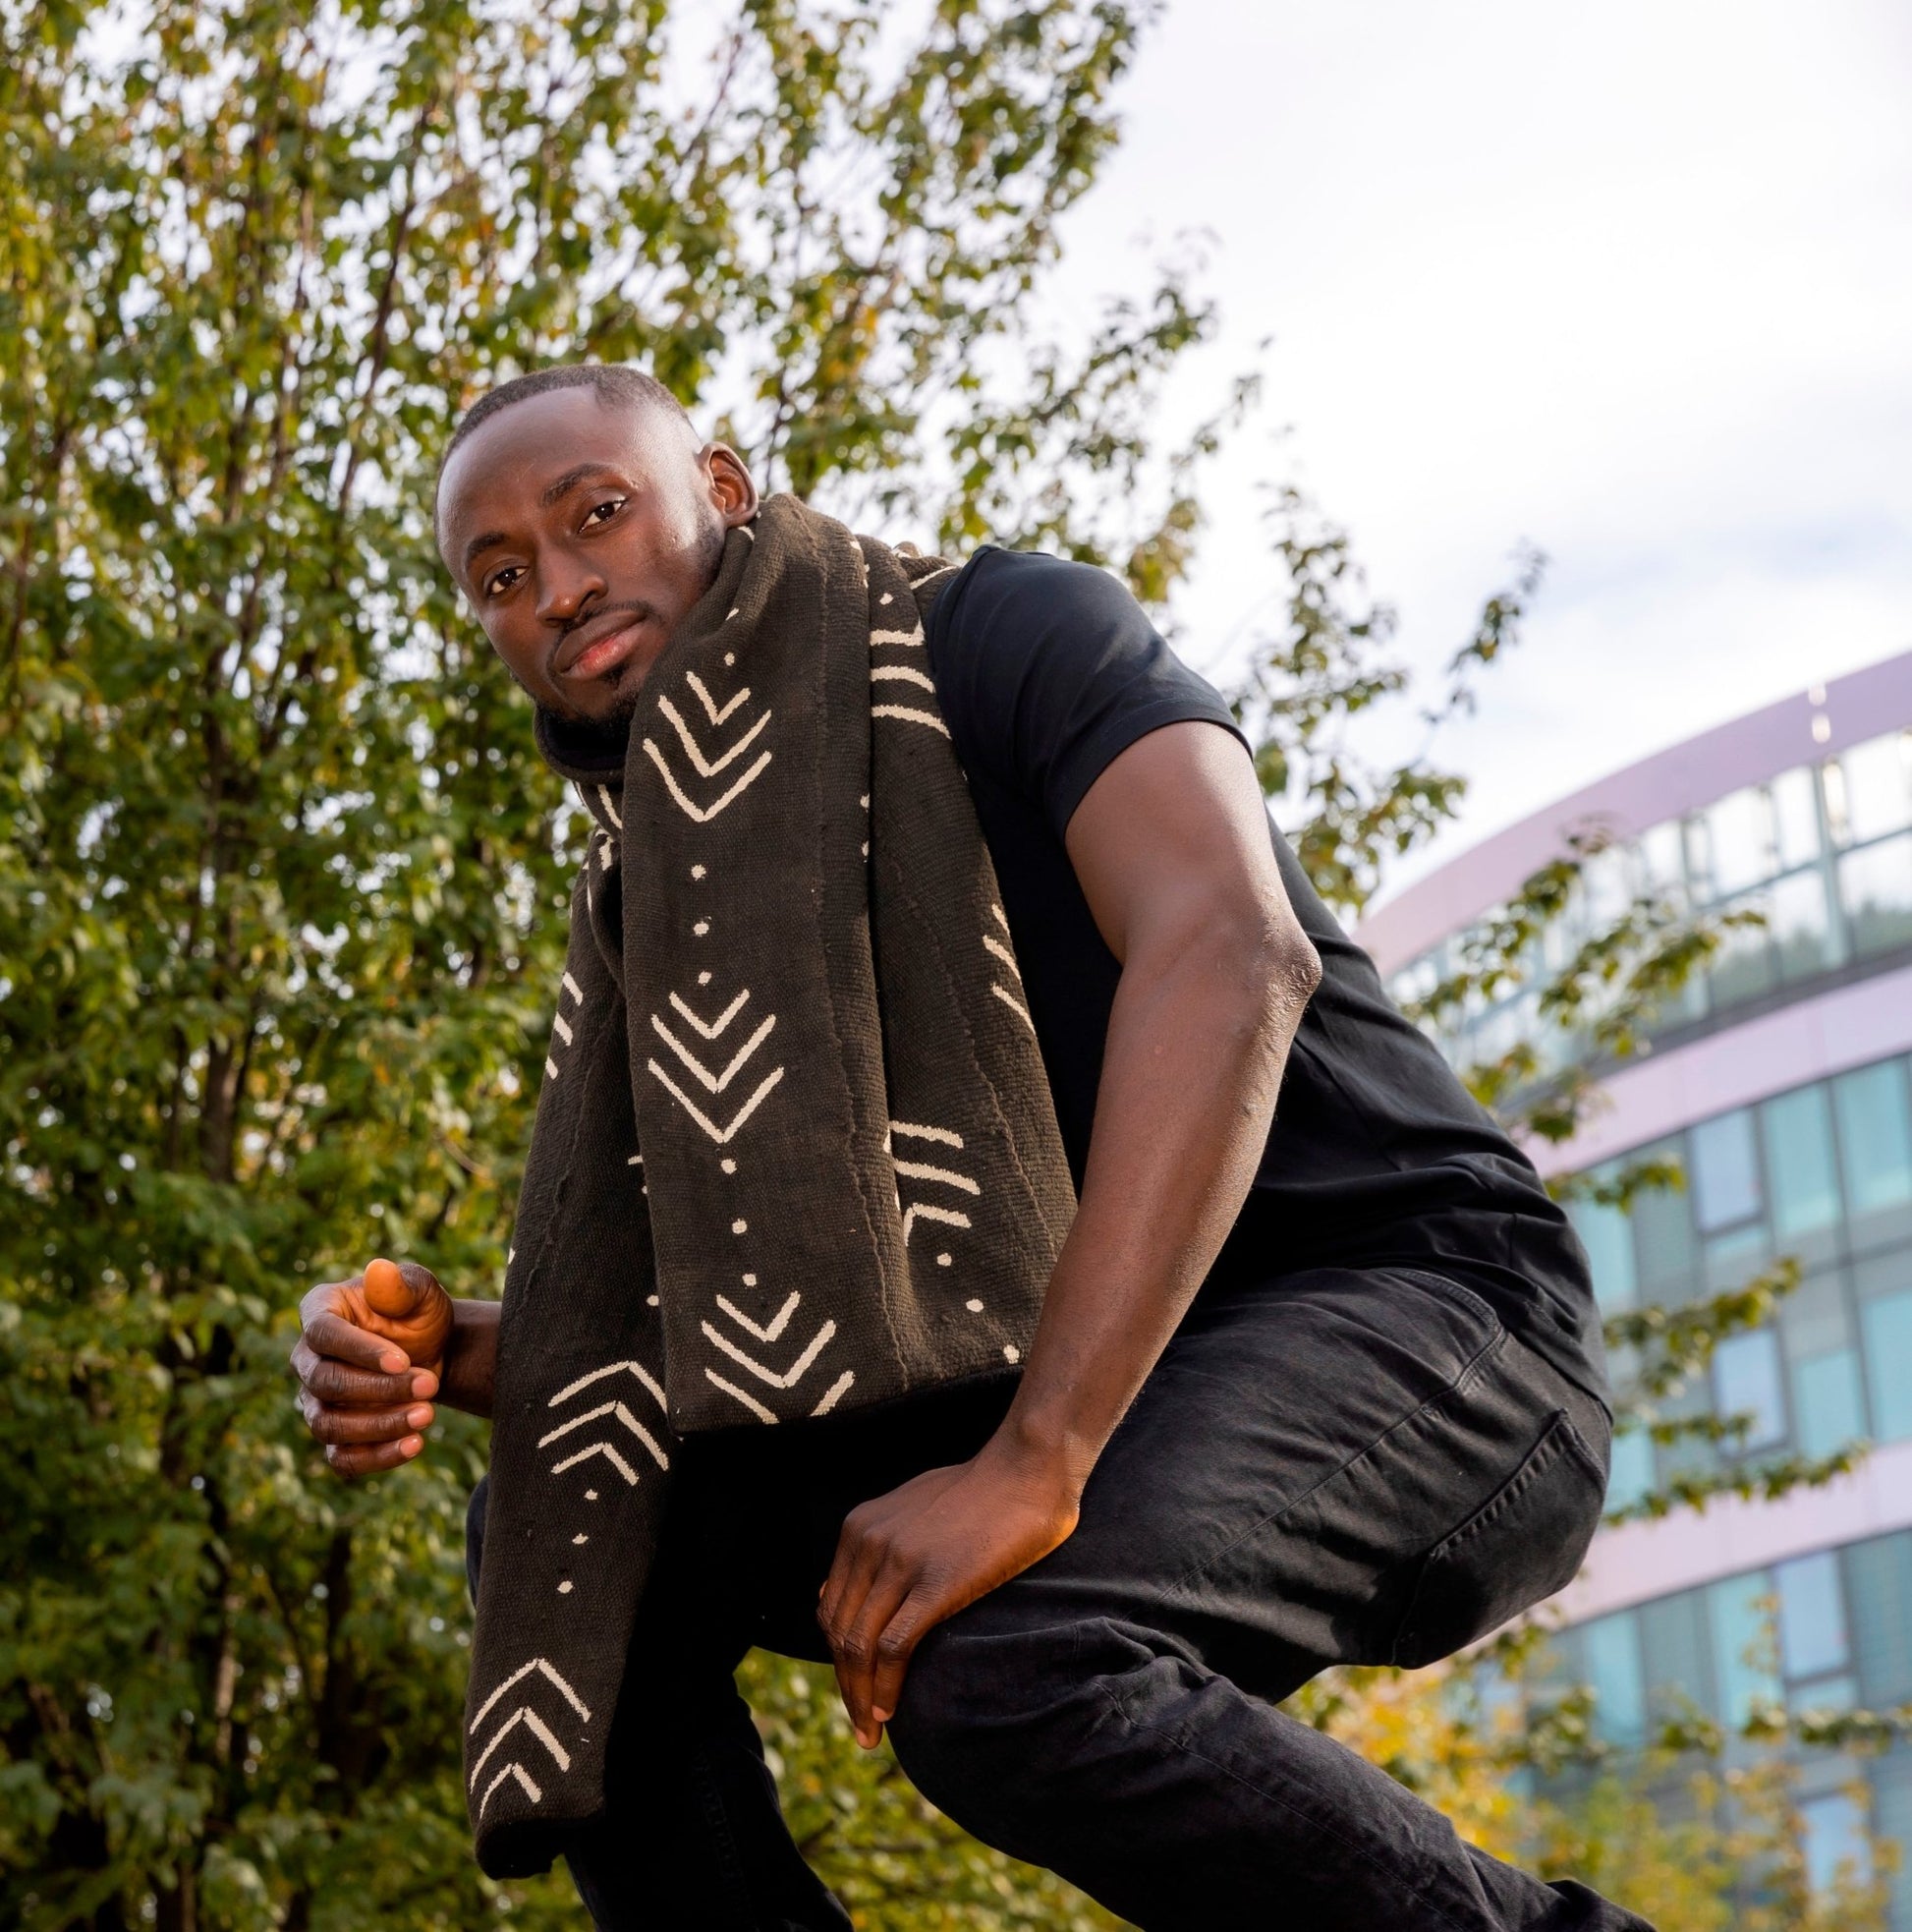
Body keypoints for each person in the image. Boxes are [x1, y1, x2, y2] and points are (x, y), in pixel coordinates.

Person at [289, 364, 1651, 1932]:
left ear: (720, 489)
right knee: (578, 1498)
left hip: (1420, 1319)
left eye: (597, 512)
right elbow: (752, 1331)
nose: (564, 583)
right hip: (1060, 1378)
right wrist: (444, 1351)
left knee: (1007, 1669)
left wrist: (1037, 1458)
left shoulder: (996, 630)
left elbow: (1228, 950)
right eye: (503, 574)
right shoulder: (652, 904)